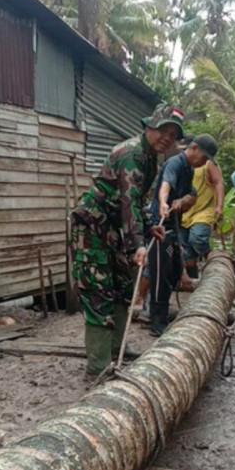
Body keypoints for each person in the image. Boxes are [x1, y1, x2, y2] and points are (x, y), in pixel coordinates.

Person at [71, 103, 184, 379]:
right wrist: (138, 244)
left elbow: (136, 203)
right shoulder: (132, 153)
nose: (167, 138)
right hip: (93, 229)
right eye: (163, 131)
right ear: (149, 127)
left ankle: (116, 347)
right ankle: (98, 367)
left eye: (173, 135)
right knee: (99, 293)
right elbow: (127, 202)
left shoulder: (148, 158)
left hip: (115, 228)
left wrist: (148, 228)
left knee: (123, 287)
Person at [146, 135, 217, 336]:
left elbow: (191, 195)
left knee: (175, 269)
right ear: (194, 148)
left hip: (174, 226)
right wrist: (164, 203)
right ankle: (156, 321)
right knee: (160, 273)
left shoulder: (190, 169)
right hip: (159, 226)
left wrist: (183, 200)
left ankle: (161, 315)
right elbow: (165, 185)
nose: (205, 162)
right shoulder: (175, 164)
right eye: (204, 157)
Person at [180, 146, 224, 280]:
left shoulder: (208, 164)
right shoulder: (181, 164)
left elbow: (219, 182)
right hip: (184, 212)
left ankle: (215, 259)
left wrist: (219, 206)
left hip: (204, 209)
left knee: (197, 238)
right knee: (187, 252)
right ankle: (194, 281)